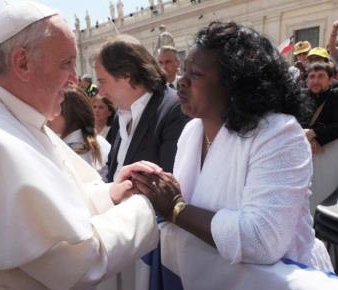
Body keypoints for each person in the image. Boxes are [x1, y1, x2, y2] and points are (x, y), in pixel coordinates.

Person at [0, 2, 159, 289]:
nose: (75, 79)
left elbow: (58, 201)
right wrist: (146, 204)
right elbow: (80, 262)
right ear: (22, 62)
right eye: (66, 64)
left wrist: (111, 193)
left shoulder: (11, 118)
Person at [133, 21, 335, 289]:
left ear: (234, 84)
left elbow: (261, 240)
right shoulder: (192, 131)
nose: (181, 82)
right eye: (184, 72)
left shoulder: (279, 134)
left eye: (196, 75)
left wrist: (175, 207)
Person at [94, 34, 188, 290]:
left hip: (153, 254)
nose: (99, 91)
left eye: (102, 81)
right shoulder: (123, 113)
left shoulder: (172, 110)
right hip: (123, 244)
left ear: (126, 75)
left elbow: (169, 185)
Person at [48, 86, 111, 177]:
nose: (50, 116)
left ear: (67, 115)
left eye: (55, 109)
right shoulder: (99, 140)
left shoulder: (68, 150)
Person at [302, 62, 338, 154]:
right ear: (307, 80)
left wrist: (315, 133)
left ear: (330, 80)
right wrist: (308, 137)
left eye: (321, 76)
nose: (315, 81)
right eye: (312, 77)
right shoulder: (299, 97)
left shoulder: (335, 97)